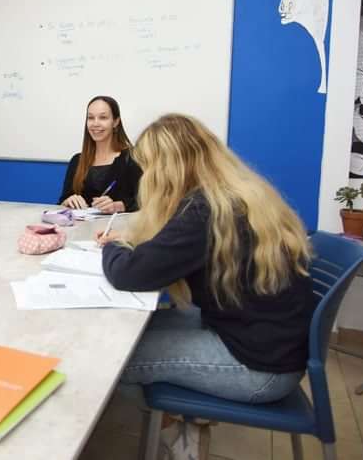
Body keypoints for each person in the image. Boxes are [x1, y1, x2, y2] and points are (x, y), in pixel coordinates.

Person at [97, 114, 314, 459]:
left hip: (260, 369)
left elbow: (129, 275)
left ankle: (178, 440)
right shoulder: (232, 195)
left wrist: (111, 246)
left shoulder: (203, 211)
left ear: (168, 167)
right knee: (140, 330)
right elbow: (165, 253)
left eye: (149, 167)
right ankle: (190, 420)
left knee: (113, 356)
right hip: (270, 345)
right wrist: (134, 243)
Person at [58, 95, 142, 213]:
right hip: (82, 229)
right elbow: (62, 201)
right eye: (91, 118)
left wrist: (118, 206)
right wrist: (67, 202)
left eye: (103, 118)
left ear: (115, 122)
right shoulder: (77, 160)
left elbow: (147, 201)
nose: (95, 123)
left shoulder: (132, 159)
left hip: (118, 229)